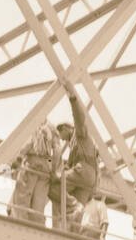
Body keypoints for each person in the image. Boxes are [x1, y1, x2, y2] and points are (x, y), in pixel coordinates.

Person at [50, 91, 98, 232]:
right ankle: (73, 234)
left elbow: (79, 117)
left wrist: (74, 101)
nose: (63, 139)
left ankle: (73, 208)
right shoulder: (76, 144)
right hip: (88, 181)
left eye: (62, 135)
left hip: (82, 171)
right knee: (76, 216)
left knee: (53, 187)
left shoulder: (80, 134)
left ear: (65, 128)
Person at [9, 119, 61, 226]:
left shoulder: (36, 125)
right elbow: (56, 152)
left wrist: (18, 159)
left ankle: (18, 225)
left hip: (31, 165)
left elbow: (28, 145)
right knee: (39, 205)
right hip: (46, 169)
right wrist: (53, 168)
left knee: (22, 200)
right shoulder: (53, 129)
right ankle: (37, 227)